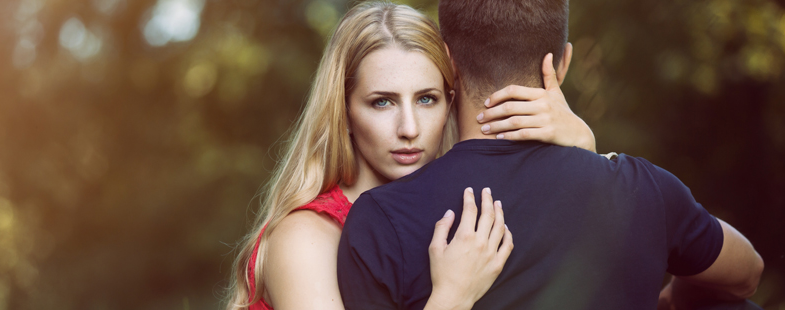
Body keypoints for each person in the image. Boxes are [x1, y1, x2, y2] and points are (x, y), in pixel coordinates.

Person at [336, 0, 765, 309]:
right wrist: (678, 292)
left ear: (447, 63)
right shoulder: (645, 191)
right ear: (561, 63)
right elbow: (747, 272)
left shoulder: (378, 221)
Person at [223, 2, 599, 309]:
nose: (409, 128)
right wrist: (452, 297)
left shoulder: (459, 210)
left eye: (426, 99)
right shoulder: (305, 239)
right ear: (344, 113)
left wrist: (585, 147)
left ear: (451, 100)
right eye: (382, 102)